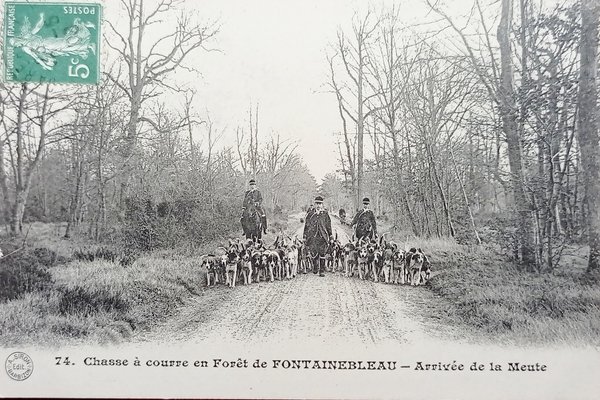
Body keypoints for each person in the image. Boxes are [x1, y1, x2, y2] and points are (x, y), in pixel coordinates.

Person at [303, 195, 332, 277]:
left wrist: (331, 236)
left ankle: (322, 270)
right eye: (317, 203)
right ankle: (315, 266)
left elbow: (328, 226)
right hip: (313, 237)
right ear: (314, 204)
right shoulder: (310, 214)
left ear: (322, 205)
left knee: (322, 253)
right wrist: (305, 237)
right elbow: (306, 226)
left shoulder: (325, 214)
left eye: (320, 204)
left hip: (322, 236)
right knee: (314, 252)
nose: (318, 205)